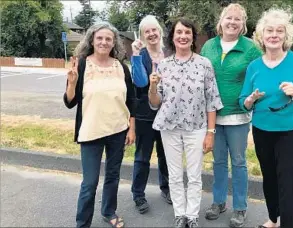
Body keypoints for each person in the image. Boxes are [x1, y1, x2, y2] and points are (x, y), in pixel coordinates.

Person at [239, 7, 293, 228]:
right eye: (269, 31)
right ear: (261, 36)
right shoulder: (254, 66)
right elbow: (243, 101)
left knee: (289, 182)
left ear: (286, 36)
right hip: (262, 130)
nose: (274, 35)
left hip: (292, 131)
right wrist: (250, 99)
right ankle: (273, 219)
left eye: (279, 31)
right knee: (270, 179)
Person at [148, 18, 223, 228]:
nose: (183, 36)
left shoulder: (204, 64)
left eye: (187, 32)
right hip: (169, 128)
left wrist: (211, 132)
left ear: (192, 37)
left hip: (196, 127)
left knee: (194, 174)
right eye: (179, 32)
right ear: (172, 37)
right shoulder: (163, 65)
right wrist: (153, 87)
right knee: (174, 175)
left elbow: (212, 100)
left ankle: (192, 215)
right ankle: (179, 214)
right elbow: (155, 103)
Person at [63, 22, 136, 228]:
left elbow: (131, 101)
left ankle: (108, 211)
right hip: (91, 132)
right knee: (90, 183)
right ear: (92, 40)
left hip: (118, 131)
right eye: (100, 38)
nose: (104, 42)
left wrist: (132, 128)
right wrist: (71, 83)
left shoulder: (121, 67)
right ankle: (82, 223)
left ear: (114, 43)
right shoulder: (83, 65)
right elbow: (70, 102)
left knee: (112, 176)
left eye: (108, 39)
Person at [200, 3, 262, 227]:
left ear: (243, 24)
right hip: (213, 116)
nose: (232, 22)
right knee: (217, 162)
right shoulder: (209, 46)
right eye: (229, 18)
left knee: (238, 162)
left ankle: (240, 207)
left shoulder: (251, 48)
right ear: (221, 21)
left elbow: (260, 74)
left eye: (237, 19)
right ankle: (218, 202)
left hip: (238, 116)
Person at [130, 15, 171, 214]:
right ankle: (138, 194)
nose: (151, 34)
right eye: (147, 31)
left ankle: (167, 188)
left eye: (154, 30)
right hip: (145, 114)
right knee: (142, 157)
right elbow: (139, 82)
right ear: (142, 35)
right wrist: (136, 56)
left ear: (160, 31)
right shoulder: (140, 55)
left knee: (166, 155)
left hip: (168, 114)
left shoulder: (170, 53)